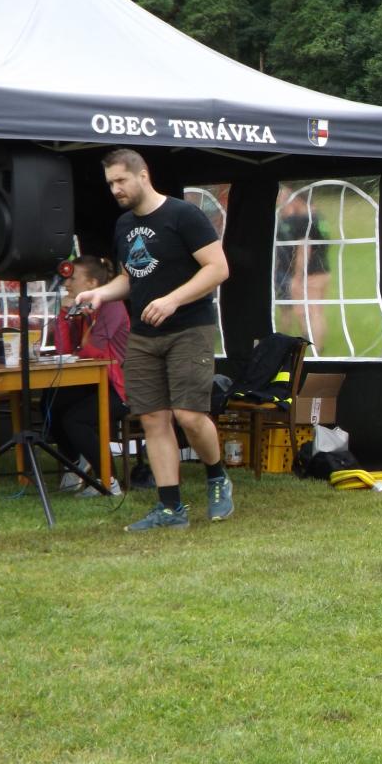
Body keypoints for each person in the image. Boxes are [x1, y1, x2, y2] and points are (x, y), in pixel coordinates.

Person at [74, 149, 234, 531]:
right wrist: (100, 294)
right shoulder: (124, 225)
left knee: (188, 416)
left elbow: (218, 268)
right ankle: (170, 507)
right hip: (144, 335)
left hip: (189, 329)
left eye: (121, 180)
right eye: (110, 183)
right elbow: (132, 277)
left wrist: (173, 299)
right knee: (153, 418)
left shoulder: (184, 215)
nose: (115, 189)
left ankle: (217, 476)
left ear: (143, 174)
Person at [46, 255, 130, 495]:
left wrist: (80, 339)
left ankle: (108, 481)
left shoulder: (111, 306)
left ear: (92, 283)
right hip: (93, 382)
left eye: (72, 279)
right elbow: (64, 351)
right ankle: (75, 464)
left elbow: (93, 351)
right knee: (50, 404)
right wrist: (63, 315)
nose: (67, 284)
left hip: (120, 388)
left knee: (76, 419)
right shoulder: (83, 308)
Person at [275, 189, 331, 348]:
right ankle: (317, 348)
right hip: (323, 270)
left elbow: (304, 249)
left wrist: (298, 276)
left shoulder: (305, 219)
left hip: (310, 273)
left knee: (310, 312)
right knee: (317, 311)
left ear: (298, 200)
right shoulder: (319, 217)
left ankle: (315, 349)